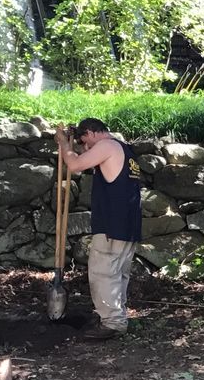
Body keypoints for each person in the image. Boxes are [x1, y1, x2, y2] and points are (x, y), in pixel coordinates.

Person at [57, 118, 141, 340]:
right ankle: (117, 318)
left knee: (103, 273)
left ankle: (112, 323)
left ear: (93, 133)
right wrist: (83, 147)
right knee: (118, 275)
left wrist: (64, 146)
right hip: (128, 223)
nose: (86, 147)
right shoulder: (123, 149)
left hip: (112, 223)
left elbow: (74, 165)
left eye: (85, 140)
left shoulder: (106, 146)